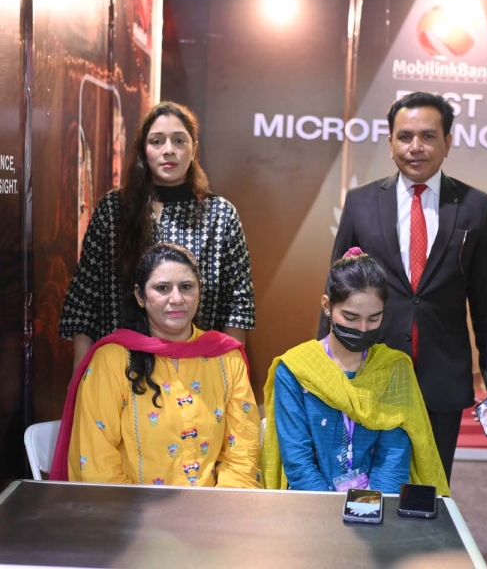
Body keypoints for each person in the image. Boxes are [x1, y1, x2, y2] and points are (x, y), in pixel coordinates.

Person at [321, 92, 487, 482]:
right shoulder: (361, 202)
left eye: (428, 136)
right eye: (405, 136)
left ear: (448, 142)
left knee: (430, 487)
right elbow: (336, 288)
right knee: (367, 483)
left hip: (442, 375)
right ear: (390, 143)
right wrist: (323, 364)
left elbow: (486, 301)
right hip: (370, 368)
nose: (415, 147)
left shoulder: (474, 206)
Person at [60, 101, 255, 371]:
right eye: (157, 141)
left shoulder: (220, 215)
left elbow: (238, 307)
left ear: (193, 149)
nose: (169, 150)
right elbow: (84, 301)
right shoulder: (113, 210)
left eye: (179, 140)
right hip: (118, 369)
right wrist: (81, 377)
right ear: (144, 149)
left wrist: (229, 375)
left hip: (197, 371)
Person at [51, 243, 261, 487]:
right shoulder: (112, 360)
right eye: (162, 288)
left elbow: (243, 451)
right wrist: (140, 510)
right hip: (129, 507)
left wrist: (220, 505)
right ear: (140, 296)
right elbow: (97, 463)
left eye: (186, 287)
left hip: (213, 507)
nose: (177, 298)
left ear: (199, 291)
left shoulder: (226, 358)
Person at [262, 248, 449, 495]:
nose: (362, 328)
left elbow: (393, 459)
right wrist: (329, 511)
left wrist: (368, 508)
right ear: (327, 306)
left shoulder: (393, 369)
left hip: (377, 502)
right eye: (350, 317)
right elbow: (298, 463)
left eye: (374, 318)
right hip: (311, 502)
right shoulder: (294, 369)